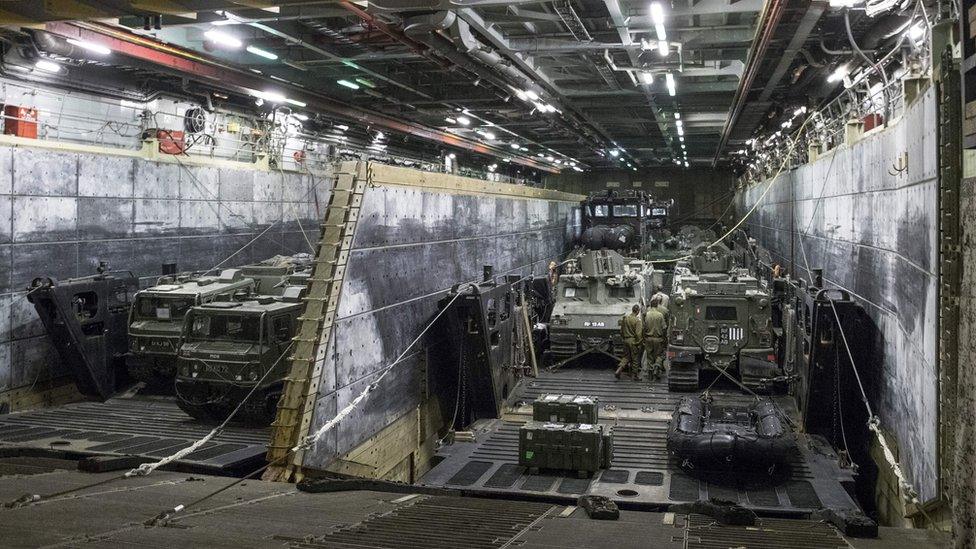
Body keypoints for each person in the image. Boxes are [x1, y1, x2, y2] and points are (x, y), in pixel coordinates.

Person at [643, 297, 667, 380]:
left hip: (648, 338)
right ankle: (656, 367)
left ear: (650, 305)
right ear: (657, 305)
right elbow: (664, 328)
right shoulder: (660, 315)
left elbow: (644, 327)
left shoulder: (647, 314)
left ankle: (650, 373)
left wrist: (644, 337)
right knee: (658, 355)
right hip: (658, 339)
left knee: (649, 356)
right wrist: (664, 339)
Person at [616, 304, 642, 380]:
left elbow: (621, 331)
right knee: (635, 358)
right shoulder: (637, 321)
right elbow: (638, 334)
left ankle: (619, 370)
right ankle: (635, 376)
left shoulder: (625, 318)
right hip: (633, 341)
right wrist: (639, 343)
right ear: (637, 311)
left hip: (625, 340)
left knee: (626, 357)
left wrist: (624, 338)